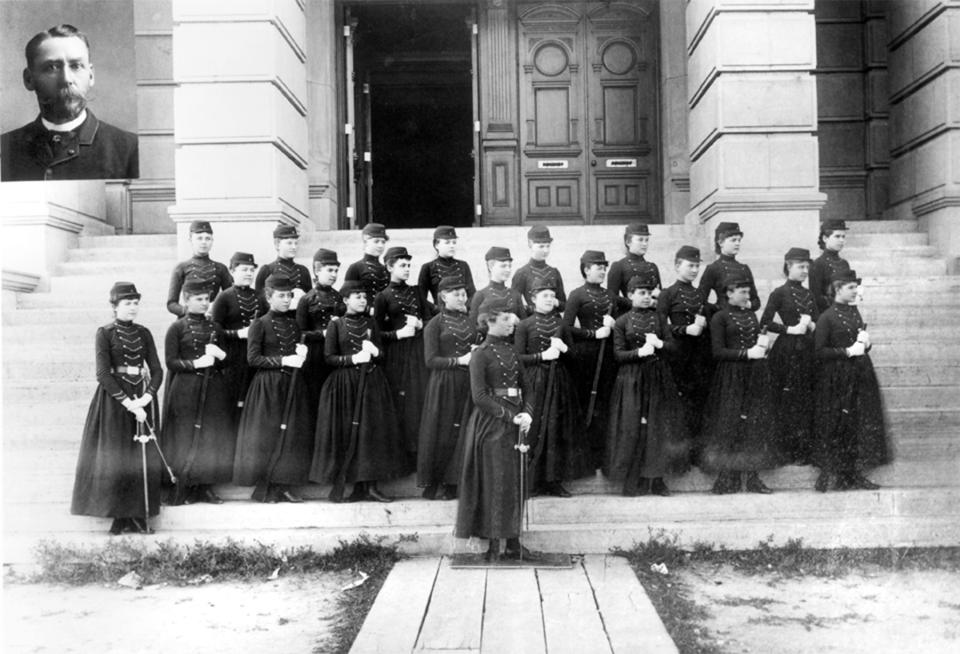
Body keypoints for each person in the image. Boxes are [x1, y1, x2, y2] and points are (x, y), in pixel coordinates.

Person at [71, 282, 162, 534]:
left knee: (139, 456)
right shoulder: (105, 333)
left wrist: (146, 398)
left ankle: (139, 515)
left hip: (141, 397)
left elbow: (156, 370)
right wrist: (128, 402)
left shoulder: (144, 333)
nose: (133, 308)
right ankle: (118, 515)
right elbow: (102, 373)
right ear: (115, 307)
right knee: (117, 454)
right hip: (114, 400)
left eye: (136, 303)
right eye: (127, 303)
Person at [454, 297, 537, 562]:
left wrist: (527, 413)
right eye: (505, 319)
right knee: (494, 482)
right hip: (491, 425)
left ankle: (513, 543)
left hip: (516, 424)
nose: (512, 323)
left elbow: (528, 388)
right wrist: (509, 416)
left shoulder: (513, 351)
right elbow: (479, 396)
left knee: (516, 482)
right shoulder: (480, 354)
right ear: (490, 321)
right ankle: (492, 545)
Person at [2, 24, 138, 181]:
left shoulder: (131, 150)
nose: (66, 79)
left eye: (76, 66)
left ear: (91, 76)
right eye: (52, 67)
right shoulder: (4, 148)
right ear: (29, 79)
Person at [310, 281, 407, 502]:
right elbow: (329, 358)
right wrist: (353, 358)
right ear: (345, 300)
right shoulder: (336, 325)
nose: (363, 300)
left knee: (371, 434)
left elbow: (382, 355)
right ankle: (353, 486)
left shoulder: (371, 322)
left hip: (372, 383)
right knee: (348, 433)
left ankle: (371, 486)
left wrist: (375, 352)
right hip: (345, 385)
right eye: (357, 296)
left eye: (364, 296)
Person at [606, 273, 690, 497]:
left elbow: (675, 348)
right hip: (632, 379)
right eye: (640, 293)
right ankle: (635, 480)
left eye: (649, 293)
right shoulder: (622, 322)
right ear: (630, 295)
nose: (646, 297)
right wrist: (638, 352)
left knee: (658, 427)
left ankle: (658, 480)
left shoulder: (659, 319)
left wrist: (660, 343)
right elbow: (618, 354)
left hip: (657, 377)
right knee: (634, 428)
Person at [700, 274, 782, 494]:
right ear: (729, 293)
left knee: (753, 424)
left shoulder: (751, 316)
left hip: (753, 375)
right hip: (731, 376)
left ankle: (753, 478)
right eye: (743, 292)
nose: (748, 296)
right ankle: (728, 476)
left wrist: (762, 348)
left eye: (748, 292)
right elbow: (717, 352)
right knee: (730, 423)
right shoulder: (719, 318)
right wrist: (747, 353)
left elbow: (757, 340)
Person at [233, 274, 311, 503]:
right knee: (267, 436)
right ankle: (265, 486)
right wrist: (284, 361)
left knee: (290, 435)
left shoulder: (294, 322)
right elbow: (253, 359)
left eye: (289, 296)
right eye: (281, 296)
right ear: (268, 297)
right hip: (268, 387)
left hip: (292, 384)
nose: (286, 300)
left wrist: (300, 356)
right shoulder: (260, 324)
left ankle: (283, 484)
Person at [812, 269, 889, 491]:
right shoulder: (826, 317)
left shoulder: (855, 313)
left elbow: (860, 343)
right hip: (837, 378)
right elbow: (819, 351)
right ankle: (829, 472)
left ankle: (852, 474)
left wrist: (866, 344)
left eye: (856, 287)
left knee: (857, 422)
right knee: (837, 424)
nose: (855, 291)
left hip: (859, 374)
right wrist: (846, 351)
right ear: (837, 289)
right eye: (851, 287)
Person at [514, 282, 590, 497]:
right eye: (544, 295)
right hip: (535, 381)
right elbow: (518, 357)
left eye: (552, 296)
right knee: (535, 426)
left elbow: (574, 357)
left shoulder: (561, 324)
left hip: (559, 381)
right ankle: (532, 480)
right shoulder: (524, 325)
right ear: (533, 299)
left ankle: (553, 480)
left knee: (556, 429)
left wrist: (564, 349)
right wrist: (542, 356)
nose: (549, 299)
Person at [161, 280, 233, 505]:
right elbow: (171, 362)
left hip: (212, 388)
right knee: (185, 435)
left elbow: (226, 363)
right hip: (186, 388)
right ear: (187, 300)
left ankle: (205, 486)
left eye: (207, 299)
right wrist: (196, 364)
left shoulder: (215, 328)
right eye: (199, 299)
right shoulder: (177, 328)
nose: (205, 303)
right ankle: (185, 485)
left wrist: (221, 356)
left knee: (210, 436)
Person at [418, 276, 481, 500]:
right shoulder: (435, 323)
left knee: (465, 430)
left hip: (469, 383)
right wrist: (459, 361)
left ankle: (457, 482)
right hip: (445, 384)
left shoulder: (473, 321)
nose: (462, 298)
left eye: (464, 294)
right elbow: (430, 360)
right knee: (444, 432)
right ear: (444, 296)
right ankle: (439, 483)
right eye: (456, 294)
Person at [563, 250, 625, 468]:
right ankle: (585, 456)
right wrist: (593, 333)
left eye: (604, 267)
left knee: (606, 403)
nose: (602, 271)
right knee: (586, 402)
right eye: (598, 267)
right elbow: (567, 327)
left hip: (608, 356)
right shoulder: (577, 294)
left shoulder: (610, 296)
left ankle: (603, 455)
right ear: (586, 269)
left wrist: (614, 324)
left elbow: (627, 317)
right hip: (586, 357)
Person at [760, 248, 819, 464]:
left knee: (805, 399)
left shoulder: (809, 294)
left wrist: (812, 324)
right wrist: (789, 329)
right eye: (800, 267)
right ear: (788, 266)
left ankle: (803, 450)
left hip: (808, 351)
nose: (805, 271)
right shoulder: (779, 293)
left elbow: (819, 322)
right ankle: (784, 450)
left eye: (807, 267)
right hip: (786, 352)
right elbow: (764, 322)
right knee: (785, 400)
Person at [374, 246, 434, 458]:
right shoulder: (383, 296)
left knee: (419, 399)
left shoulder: (417, 292)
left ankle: (419, 451)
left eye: (409, 265)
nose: (407, 269)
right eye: (402, 265)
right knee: (401, 402)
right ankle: (402, 454)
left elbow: (431, 320)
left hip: (418, 353)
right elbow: (376, 332)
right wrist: (397, 334)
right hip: (397, 356)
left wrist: (420, 324)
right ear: (390, 267)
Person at [657, 245, 713, 447]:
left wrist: (705, 324)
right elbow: (660, 326)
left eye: (697, 266)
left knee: (699, 400)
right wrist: (684, 330)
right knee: (679, 402)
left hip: (700, 356)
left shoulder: (700, 294)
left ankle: (697, 449)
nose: (695, 270)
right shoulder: (667, 294)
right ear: (677, 265)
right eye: (690, 265)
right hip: (677, 356)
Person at [211, 252, 268, 424]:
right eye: (244, 269)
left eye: (252, 270)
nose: (249, 273)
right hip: (232, 356)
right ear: (232, 271)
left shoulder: (260, 296)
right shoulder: (224, 297)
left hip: (254, 355)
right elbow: (215, 329)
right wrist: (237, 333)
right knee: (232, 401)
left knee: (252, 401)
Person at [296, 248, 346, 428]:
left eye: (336, 270)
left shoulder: (338, 297)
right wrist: (323, 333)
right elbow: (300, 333)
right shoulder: (307, 299)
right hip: (315, 356)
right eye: (329, 270)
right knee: (315, 396)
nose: (334, 275)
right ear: (317, 271)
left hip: (334, 353)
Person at [166, 221, 232, 317]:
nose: (204, 242)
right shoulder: (181, 268)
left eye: (207, 238)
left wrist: (216, 308)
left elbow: (230, 298)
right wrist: (191, 311)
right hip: (188, 321)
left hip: (213, 319)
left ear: (212, 241)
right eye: (199, 238)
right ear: (190, 240)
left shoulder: (220, 268)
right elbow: (171, 304)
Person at [698, 222, 760, 312]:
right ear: (721, 242)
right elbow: (701, 299)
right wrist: (718, 309)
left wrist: (746, 303)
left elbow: (756, 302)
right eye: (733, 240)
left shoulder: (744, 268)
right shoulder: (713, 268)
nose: (737, 243)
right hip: (724, 321)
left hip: (744, 319)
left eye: (739, 240)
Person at [468, 246, 527, 329]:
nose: (508, 270)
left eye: (509, 266)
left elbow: (525, 326)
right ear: (491, 267)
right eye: (503, 266)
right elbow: (472, 327)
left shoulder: (515, 295)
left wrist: (517, 322)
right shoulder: (481, 295)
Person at [511, 225, 566, 312]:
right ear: (530, 243)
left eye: (548, 246)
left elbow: (564, 306)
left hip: (554, 321)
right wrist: (532, 309)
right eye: (541, 246)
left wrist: (555, 302)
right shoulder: (522, 273)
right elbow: (514, 304)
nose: (545, 250)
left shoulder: (554, 272)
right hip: (533, 321)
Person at [417, 225, 476, 304]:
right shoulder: (428, 268)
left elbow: (472, 295)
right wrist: (434, 311)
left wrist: (466, 310)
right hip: (439, 314)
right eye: (447, 242)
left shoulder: (463, 265)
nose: (452, 246)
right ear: (436, 245)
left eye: (454, 242)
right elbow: (421, 298)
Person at [254, 224, 312, 302]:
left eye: (296, 243)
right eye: (289, 243)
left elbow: (310, 301)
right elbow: (260, 301)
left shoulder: (303, 271)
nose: (294, 247)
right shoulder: (267, 270)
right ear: (277, 244)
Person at [607, 223, 661, 300]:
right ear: (628, 242)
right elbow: (612, 298)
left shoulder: (652, 267)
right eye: (640, 240)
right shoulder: (619, 266)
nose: (644, 244)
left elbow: (660, 297)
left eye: (647, 240)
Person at [809, 219, 851, 313]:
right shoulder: (818, 264)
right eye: (837, 236)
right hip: (826, 316)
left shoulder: (844, 263)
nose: (841, 240)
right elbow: (816, 297)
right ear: (825, 238)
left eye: (843, 237)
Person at [344, 222, 390, 307]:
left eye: (383, 242)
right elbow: (346, 297)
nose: (380, 245)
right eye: (376, 241)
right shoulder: (355, 268)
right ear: (366, 241)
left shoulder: (385, 269)